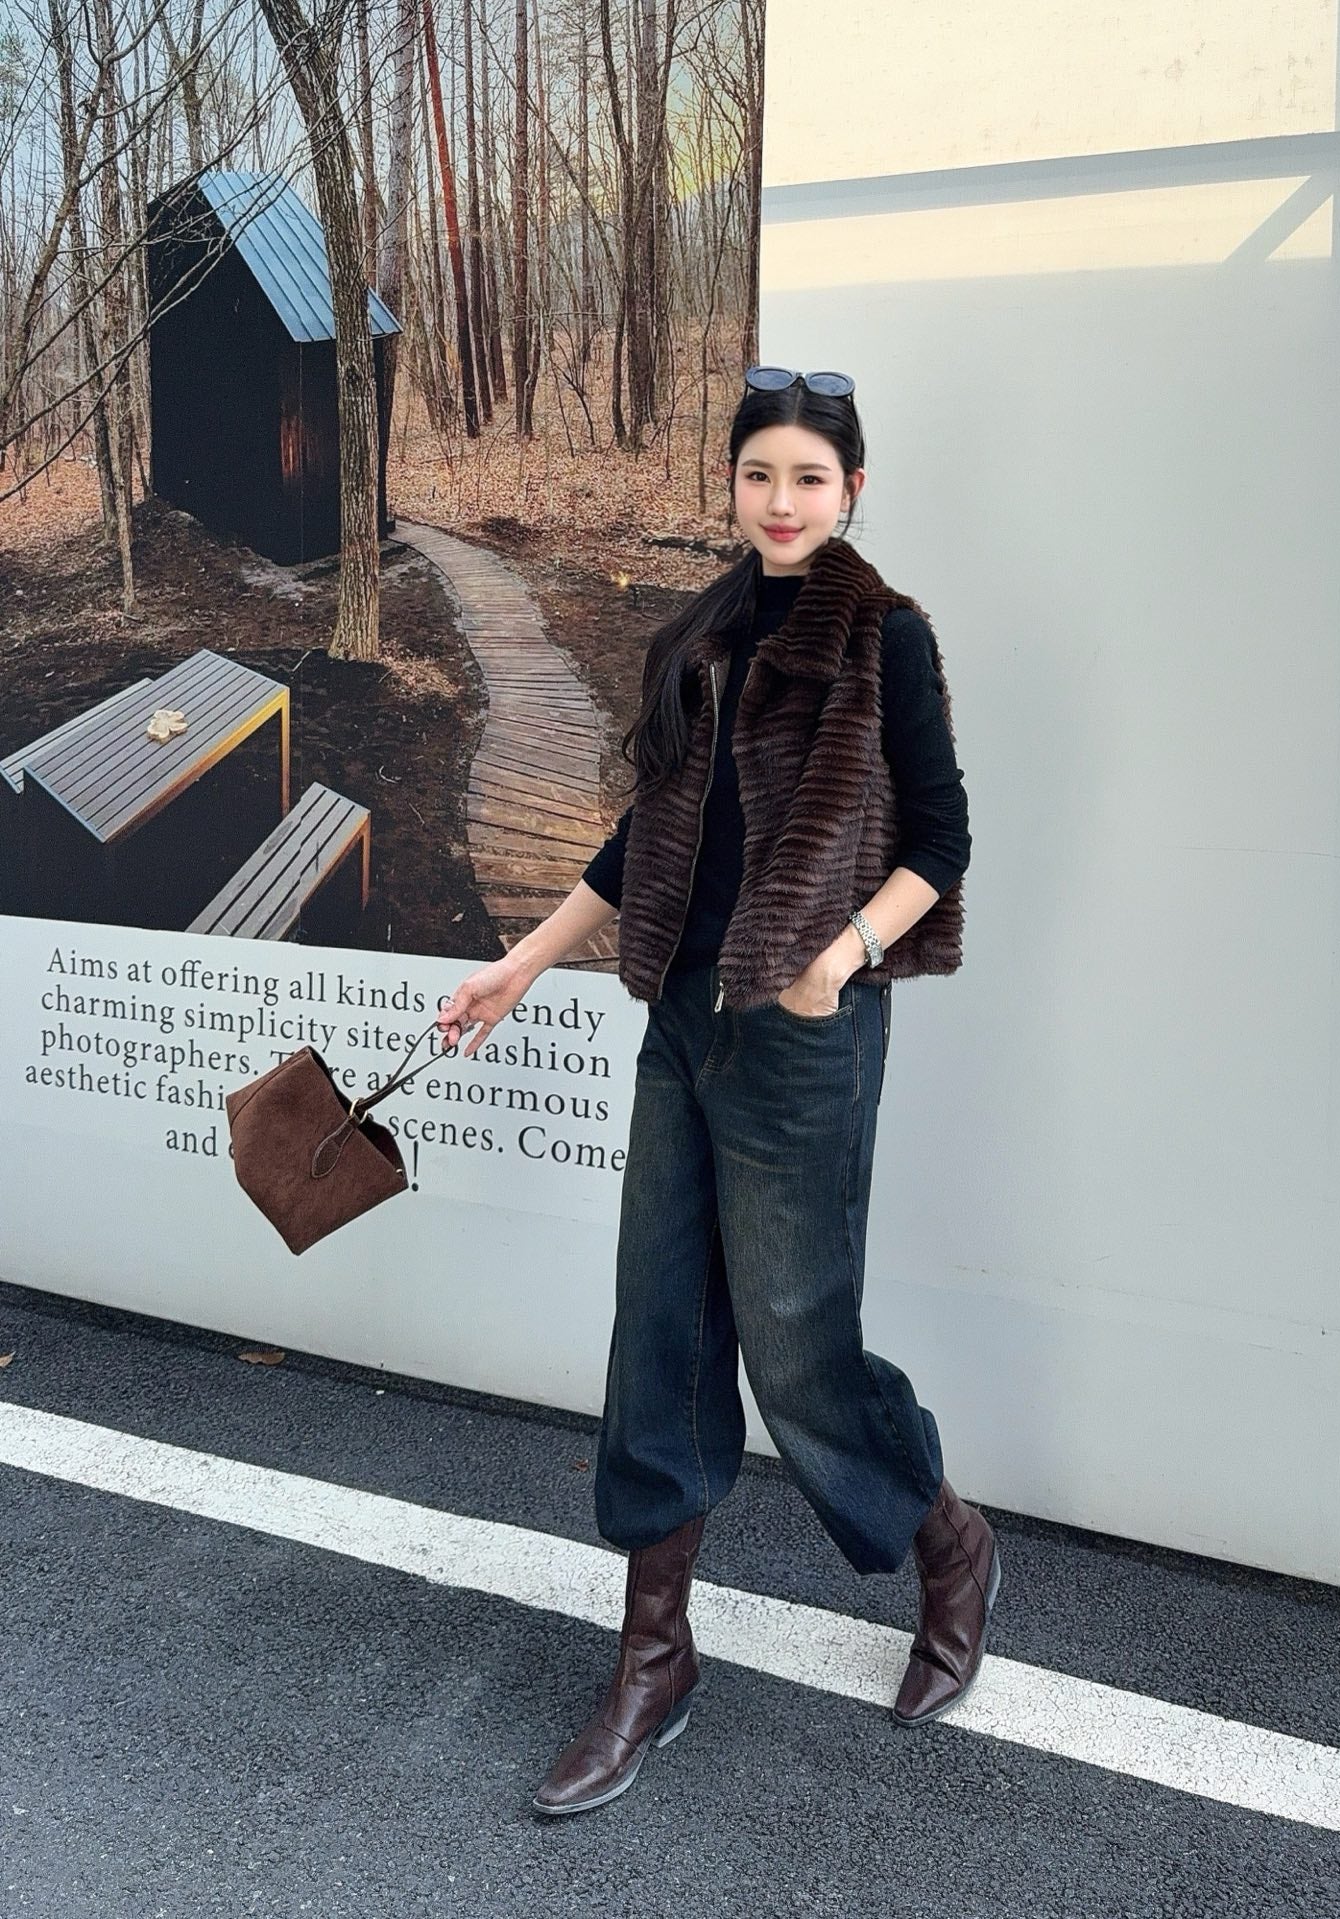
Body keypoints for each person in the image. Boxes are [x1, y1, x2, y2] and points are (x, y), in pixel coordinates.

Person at [438, 365, 1001, 1817]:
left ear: (852, 490)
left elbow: (939, 841)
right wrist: (521, 964)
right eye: (760, 474)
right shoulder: (699, 631)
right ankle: (654, 1658)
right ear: (734, 485)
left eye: (809, 477)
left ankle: (948, 1541)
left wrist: (838, 958)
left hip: (803, 1037)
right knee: (661, 1330)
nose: (781, 501)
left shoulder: (884, 637)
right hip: (681, 1024)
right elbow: (647, 836)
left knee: (797, 1348)